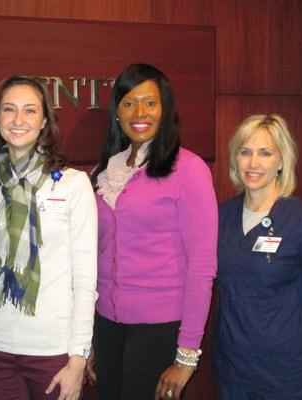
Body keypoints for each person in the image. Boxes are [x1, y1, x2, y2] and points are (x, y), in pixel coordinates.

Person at [90, 63, 218, 400]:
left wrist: (186, 356)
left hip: (160, 330)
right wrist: (89, 337)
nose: (139, 112)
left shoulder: (188, 170)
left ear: (165, 110)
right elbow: (96, 257)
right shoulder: (103, 172)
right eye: (129, 102)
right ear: (116, 112)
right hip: (107, 326)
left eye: (150, 102)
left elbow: (202, 267)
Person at [0, 75, 97, 400]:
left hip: (54, 352)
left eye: (29, 110)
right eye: (9, 110)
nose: (19, 120)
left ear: (43, 122)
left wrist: (79, 357)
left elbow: (85, 279)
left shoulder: (72, 185)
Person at [213, 114, 302, 399]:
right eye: (245, 152)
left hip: (288, 372)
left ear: (281, 161)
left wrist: (296, 336)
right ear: (235, 160)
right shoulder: (221, 216)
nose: (253, 163)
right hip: (234, 368)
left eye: (265, 153)